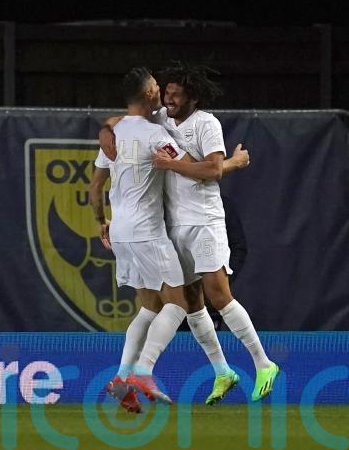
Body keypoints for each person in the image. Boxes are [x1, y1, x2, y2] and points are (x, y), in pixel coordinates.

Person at [150, 61, 278, 402]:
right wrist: (234, 163)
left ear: (192, 97)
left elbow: (211, 169)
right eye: (167, 93)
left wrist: (173, 164)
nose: (170, 99)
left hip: (205, 222)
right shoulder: (161, 118)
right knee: (192, 303)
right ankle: (223, 372)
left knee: (218, 294)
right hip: (176, 225)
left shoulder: (206, 123)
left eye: (176, 94)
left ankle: (264, 363)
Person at [89, 67, 190, 413]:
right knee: (178, 304)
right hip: (147, 230)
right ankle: (144, 372)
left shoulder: (114, 133)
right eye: (157, 87)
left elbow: (94, 187)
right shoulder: (154, 135)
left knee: (150, 307)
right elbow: (189, 167)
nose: (162, 90)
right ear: (148, 94)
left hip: (120, 230)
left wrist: (102, 222)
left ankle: (120, 379)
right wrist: (229, 164)